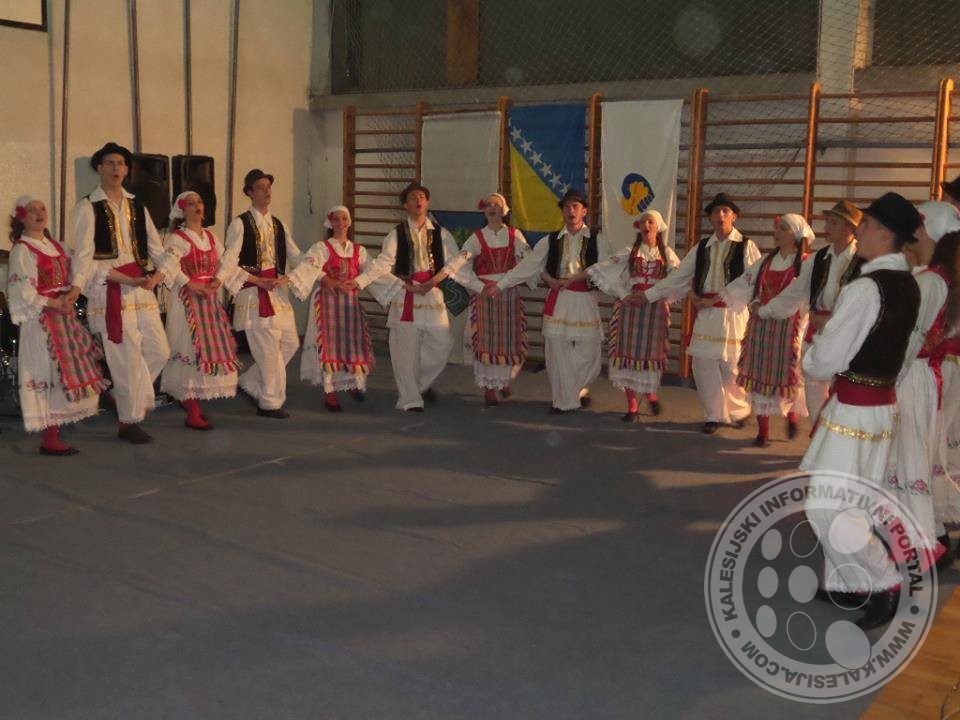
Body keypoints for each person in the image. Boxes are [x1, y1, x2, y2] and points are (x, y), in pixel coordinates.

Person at [802, 192, 922, 630]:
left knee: (826, 507)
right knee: (849, 503)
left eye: (866, 225)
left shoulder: (866, 288)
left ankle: (885, 580)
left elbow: (826, 359)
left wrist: (813, 355)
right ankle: (848, 581)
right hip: (877, 407)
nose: (860, 231)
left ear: (885, 234)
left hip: (855, 412)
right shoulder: (909, 284)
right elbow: (906, 350)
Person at [71, 141, 170, 444]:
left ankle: (121, 395)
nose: (116, 168)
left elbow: (157, 249)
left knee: (159, 351)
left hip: (141, 288)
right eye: (110, 163)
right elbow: (84, 257)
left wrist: (160, 274)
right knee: (125, 358)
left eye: (121, 163)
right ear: (99, 168)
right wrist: (76, 288)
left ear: (127, 170)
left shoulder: (137, 205)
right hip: (110, 288)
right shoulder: (87, 206)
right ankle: (129, 420)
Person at [643, 193, 761, 433]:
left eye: (725, 211)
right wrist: (649, 295)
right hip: (706, 313)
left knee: (731, 366)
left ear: (734, 216)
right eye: (716, 212)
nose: (720, 216)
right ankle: (714, 415)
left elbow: (753, 279)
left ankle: (739, 410)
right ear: (710, 217)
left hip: (733, 312)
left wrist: (725, 298)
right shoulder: (702, 247)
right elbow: (680, 276)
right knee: (702, 363)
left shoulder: (746, 245)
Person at [486, 188, 611, 414]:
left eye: (575, 207)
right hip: (560, 300)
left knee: (590, 353)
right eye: (567, 207)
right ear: (562, 211)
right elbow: (529, 265)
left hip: (584, 300)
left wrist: (626, 293)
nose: (571, 211)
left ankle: (574, 390)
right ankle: (563, 401)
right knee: (557, 353)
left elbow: (607, 267)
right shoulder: (551, 240)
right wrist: (501, 285)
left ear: (584, 211)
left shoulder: (596, 239)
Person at [884, 201, 960, 566]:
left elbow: (910, 339)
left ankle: (920, 545)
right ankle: (927, 538)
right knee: (912, 457)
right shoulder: (935, 276)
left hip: (912, 376)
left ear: (926, 230)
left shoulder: (931, 281)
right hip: (918, 376)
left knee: (909, 459)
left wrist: (882, 377)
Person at [7, 196, 109, 454]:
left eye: (42, 208)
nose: (39, 213)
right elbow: (23, 291)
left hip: (63, 317)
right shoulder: (22, 250)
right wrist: (56, 303)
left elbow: (81, 268)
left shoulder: (58, 247)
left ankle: (54, 433)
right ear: (21, 218)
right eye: (31, 210)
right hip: (40, 321)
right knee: (47, 372)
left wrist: (74, 291)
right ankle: (49, 438)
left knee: (67, 371)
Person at [757, 201, 863, 419]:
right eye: (827, 221)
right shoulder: (818, 258)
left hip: (848, 334)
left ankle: (835, 434)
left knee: (842, 388)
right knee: (814, 384)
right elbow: (795, 291)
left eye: (833, 223)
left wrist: (834, 320)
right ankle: (818, 431)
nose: (826, 227)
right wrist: (766, 310)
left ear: (849, 229)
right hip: (817, 333)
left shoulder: (862, 260)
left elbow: (865, 303)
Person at [362, 182, 458, 412]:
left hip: (432, 293)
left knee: (442, 343)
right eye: (413, 197)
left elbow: (455, 262)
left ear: (428, 202)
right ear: (405, 205)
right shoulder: (396, 234)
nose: (418, 200)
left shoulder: (441, 234)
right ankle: (410, 399)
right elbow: (382, 264)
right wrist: (360, 282)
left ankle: (419, 383)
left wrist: (435, 281)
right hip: (406, 293)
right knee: (405, 349)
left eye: (422, 196)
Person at [722, 214, 812, 446]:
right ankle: (763, 432)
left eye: (783, 228)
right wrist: (752, 303)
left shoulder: (806, 262)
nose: (777, 232)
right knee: (759, 374)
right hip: (761, 324)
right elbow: (748, 284)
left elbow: (806, 296)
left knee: (790, 373)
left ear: (795, 234)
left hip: (790, 326)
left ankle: (792, 416)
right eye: (778, 228)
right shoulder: (765, 261)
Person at [219, 169, 301, 419]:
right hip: (253, 293)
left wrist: (296, 275)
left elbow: (297, 256)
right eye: (260, 187)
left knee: (290, 343)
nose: (267, 191)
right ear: (249, 193)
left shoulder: (279, 224)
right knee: (268, 350)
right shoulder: (240, 224)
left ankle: (250, 381)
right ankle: (270, 403)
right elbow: (229, 261)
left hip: (275, 292)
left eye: (268, 186)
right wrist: (256, 280)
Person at [157, 191, 240, 429]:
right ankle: (192, 409)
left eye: (199, 202)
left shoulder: (211, 237)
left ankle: (195, 403)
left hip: (209, 300)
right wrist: (189, 283)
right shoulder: (178, 238)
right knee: (189, 348)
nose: (197, 206)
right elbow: (169, 266)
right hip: (187, 302)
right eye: (191, 203)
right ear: (182, 210)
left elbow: (226, 262)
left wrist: (219, 279)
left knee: (209, 348)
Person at [587, 210, 680, 420]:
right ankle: (632, 406)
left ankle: (650, 394)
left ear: (658, 227)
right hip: (630, 307)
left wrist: (657, 293)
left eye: (650, 222)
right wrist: (624, 294)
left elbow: (678, 278)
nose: (646, 225)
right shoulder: (630, 251)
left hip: (655, 308)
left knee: (650, 355)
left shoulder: (667, 254)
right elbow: (606, 270)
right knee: (627, 355)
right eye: (643, 222)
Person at [445, 193, 532, 406]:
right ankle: (489, 388)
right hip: (485, 294)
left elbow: (529, 262)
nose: (492, 207)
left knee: (509, 340)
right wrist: (479, 286)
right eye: (489, 204)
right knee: (486, 341)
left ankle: (504, 380)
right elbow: (461, 263)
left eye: (497, 204)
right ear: (484, 211)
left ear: (504, 210)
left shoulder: (514, 235)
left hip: (508, 293)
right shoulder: (477, 238)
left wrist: (507, 281)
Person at [287, 205, 375, 411]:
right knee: (330, 346)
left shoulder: (359, 251)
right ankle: (330, 393)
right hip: (328, 303)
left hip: (350, 304)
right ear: (330, 223)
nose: (340, 223)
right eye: (336, 219)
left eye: (344, 219)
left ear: (349, 222)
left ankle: (351, 383)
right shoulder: (322, 247)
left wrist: (358, 282)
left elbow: (372, 271)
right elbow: (309, 266)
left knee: (352, 344)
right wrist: (327, 279)